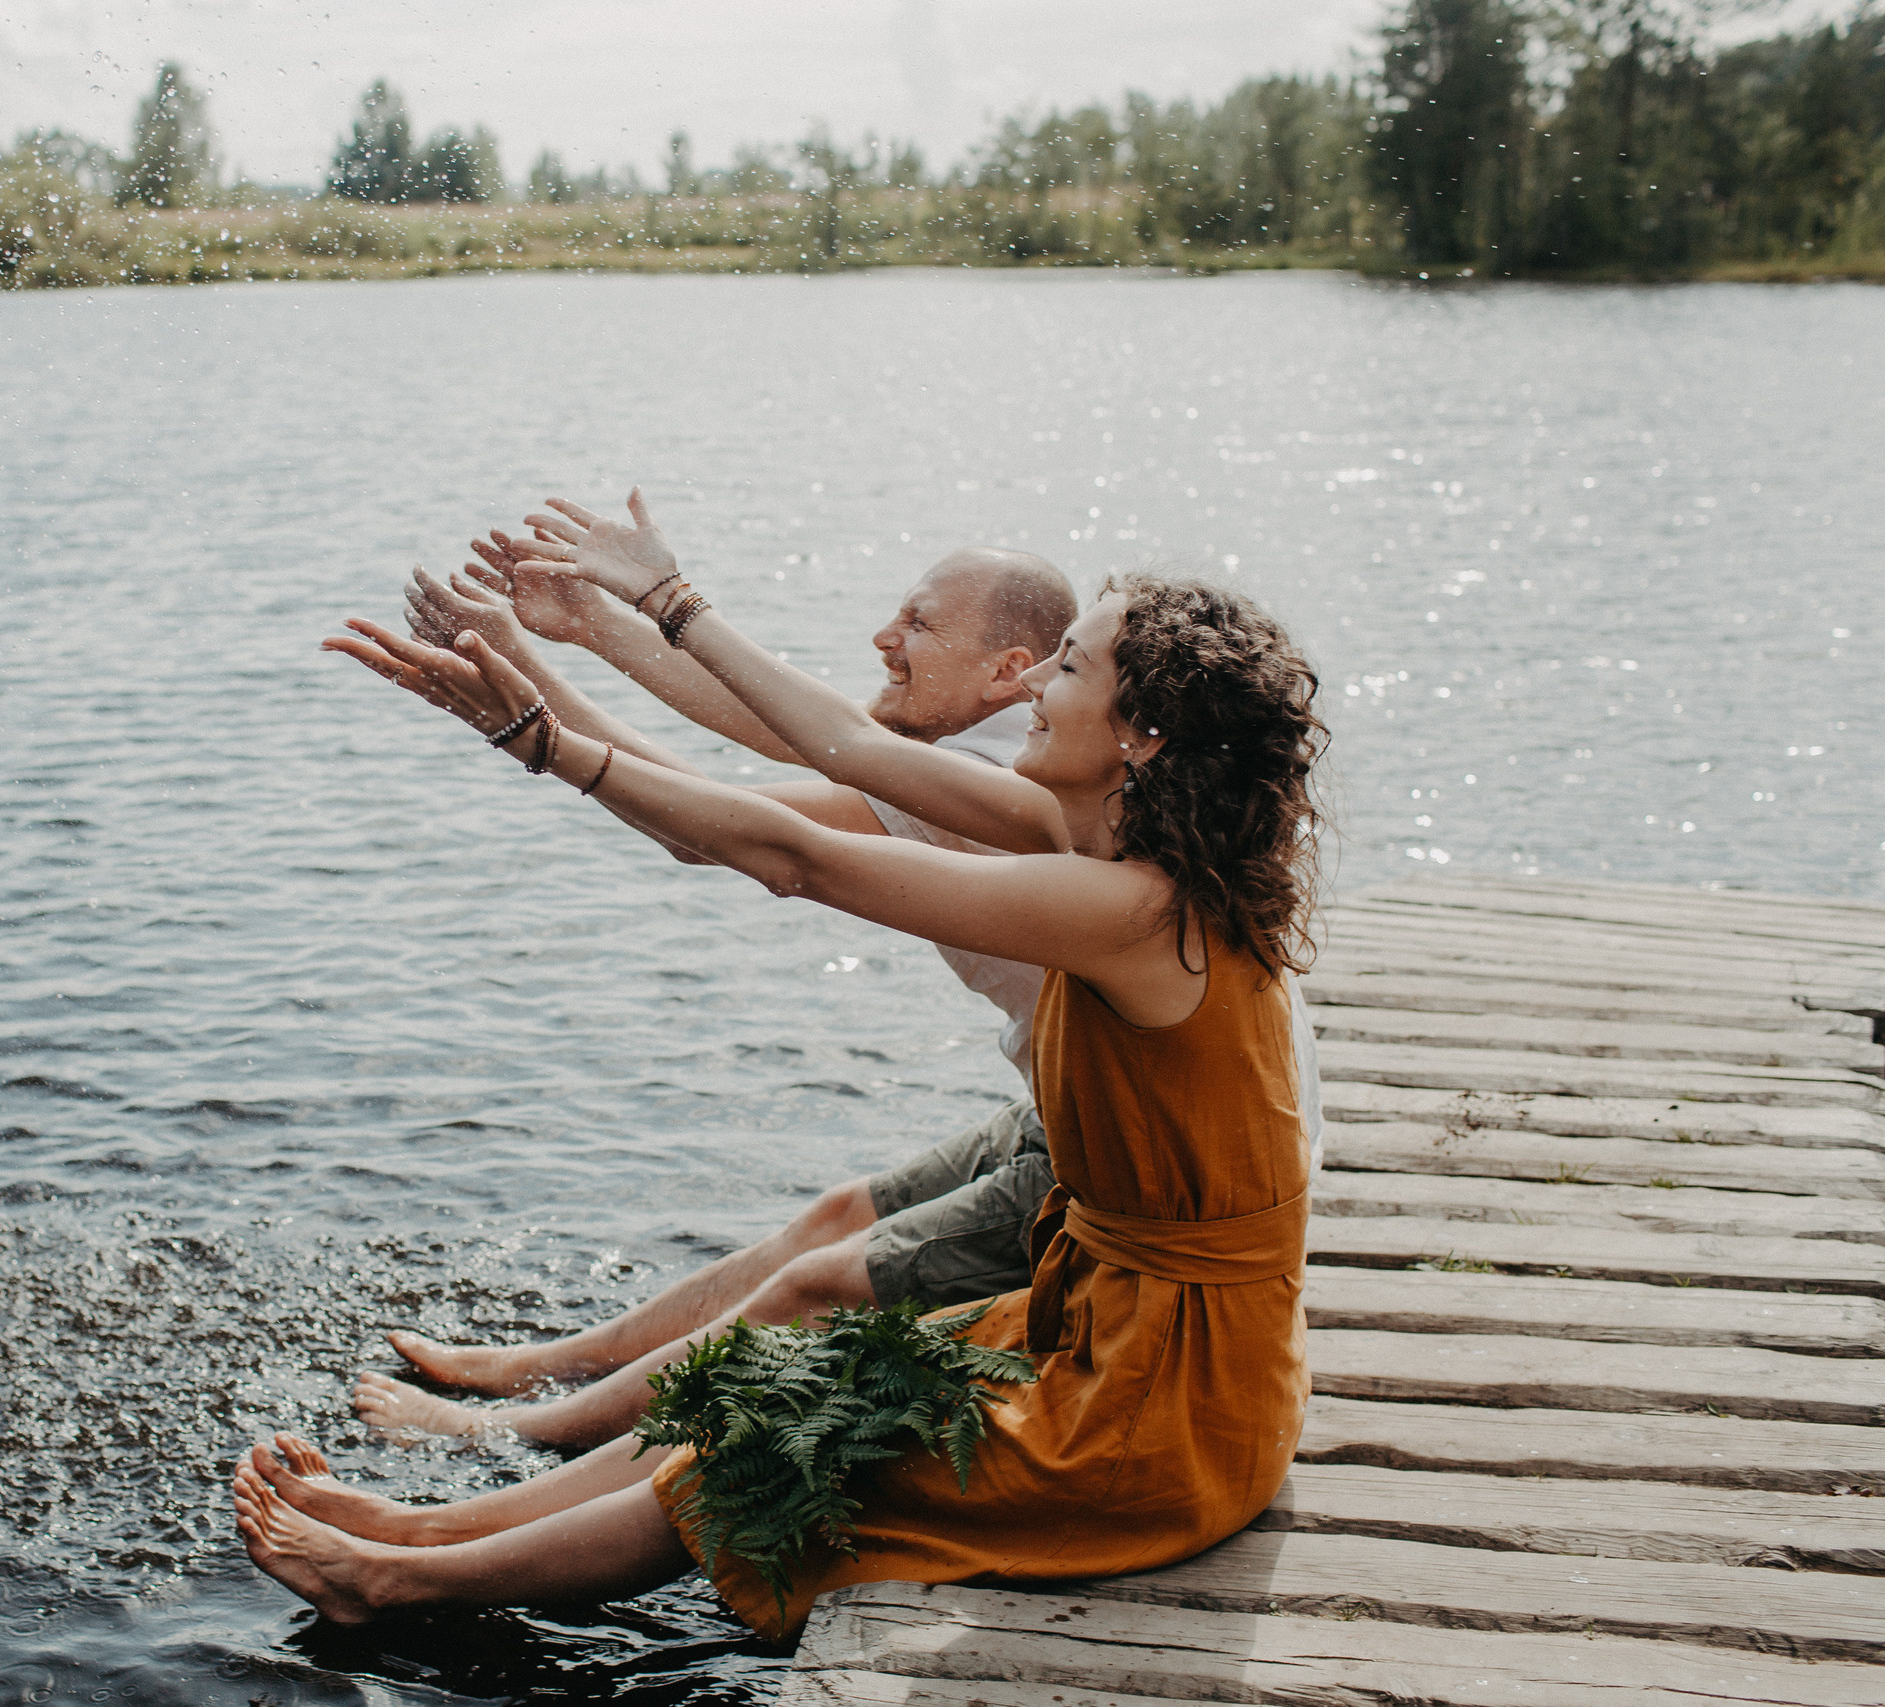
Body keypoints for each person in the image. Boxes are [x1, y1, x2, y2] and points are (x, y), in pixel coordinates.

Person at [238, 491, 1327, 1641]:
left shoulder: (1129, 906)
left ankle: (397, 1579)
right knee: (765, 1376)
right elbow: (843, 745)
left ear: (1139, 736)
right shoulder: (1080, 833)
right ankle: (428, 1530)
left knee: (762, 1450)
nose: (1036, 693)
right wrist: (653, 605)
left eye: (1065, 669)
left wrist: (546, 740)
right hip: (1126, 1338)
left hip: (1162, 1410)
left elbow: (794, 856)